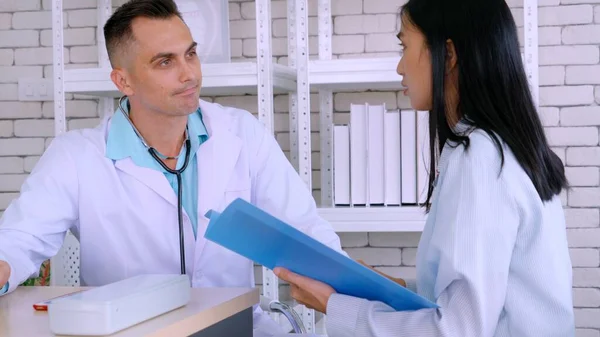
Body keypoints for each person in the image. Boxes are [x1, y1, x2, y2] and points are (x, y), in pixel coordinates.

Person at [0, 0, 344, 336]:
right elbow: (20, 238)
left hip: (237, 328)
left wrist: (360, 294)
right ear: (124, 81)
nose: (189, 73)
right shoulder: (76, 156)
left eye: (190, 54)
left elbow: (304, 227)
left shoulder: (242, 133)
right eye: (165, 62)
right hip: (130, 331)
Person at [274, 0, 575, 336]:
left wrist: (334, 306)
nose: (400, 67)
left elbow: (458, 329)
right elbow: (481, 296)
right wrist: (394, 287)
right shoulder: (499, 147)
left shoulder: (480, 158)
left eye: (405, 47)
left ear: (448, 55)